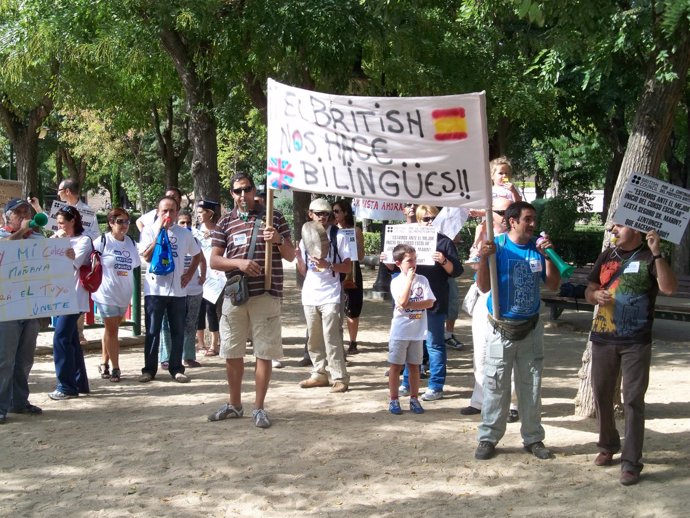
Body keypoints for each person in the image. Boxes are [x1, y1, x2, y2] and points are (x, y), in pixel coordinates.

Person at [585, 225, 677, 486]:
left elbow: (669, 288)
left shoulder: (649, 257)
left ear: (635, 229)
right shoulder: (607, 255)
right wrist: (594, 295)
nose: (612, 228)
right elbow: (589, 288)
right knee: (602, 394)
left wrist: (657, 253)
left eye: (619, 224)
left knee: (633, 400)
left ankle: (631, 462)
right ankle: (607, 445)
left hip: (636, 341)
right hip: (603, 338)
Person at [473, 201, 560, 461]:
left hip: (531, 329)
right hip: (500, 328)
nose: (533, 224)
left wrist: (550, 257)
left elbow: (554, 285)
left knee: (531, 387)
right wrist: (483, 258)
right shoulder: (496, 246)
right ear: (513, 221)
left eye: (534, 219)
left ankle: (533, 438)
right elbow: (484, 287)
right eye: (528, 219)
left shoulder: (538, 248)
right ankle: (488, 438)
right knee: (495, 385)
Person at [207, 173, 295, 428]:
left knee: (264, 352)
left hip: (266, 294)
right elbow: (214, 260)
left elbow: (290, 256)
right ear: (231, 194)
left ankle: (259, 407)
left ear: (254, 190)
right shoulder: (225, 222)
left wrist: (277, 239)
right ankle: (234, 404)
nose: (242, 195)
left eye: (246, 189)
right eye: (237, 191)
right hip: (235, 296)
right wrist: (239, 264)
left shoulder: (273, 216)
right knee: (232, 351)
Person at [460, 196, 520, 422]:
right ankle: (480, 399)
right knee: (481, 351)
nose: (502, 217)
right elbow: (475, 265)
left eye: (505, 213)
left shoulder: (514, 240)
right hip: (483, 295)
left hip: (506, 297)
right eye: (498, 212)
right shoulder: (482, 234)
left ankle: (512, 403)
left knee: (507, 352)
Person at [396, 205, 463, 401]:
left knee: (434, 343)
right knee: (413, 342)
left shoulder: (444, 242)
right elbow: (395, 266)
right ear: (418, 220)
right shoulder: (408, 243)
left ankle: (436, 386)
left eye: (433, 217)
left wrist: (443, 260)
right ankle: (407, 383)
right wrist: (388, 261)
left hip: (435, 301)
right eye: (425, 219)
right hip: (413, 301)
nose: (430, 221)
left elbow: (456, 271)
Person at [138, 196, 201, 383]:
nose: (168, 214)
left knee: (177, 331)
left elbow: (197, 256)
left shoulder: (184, 233)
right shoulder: (149, 231)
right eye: (164, 210)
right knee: (152, 331)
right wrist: (159, 234)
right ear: (158, 212)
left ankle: (176, 368)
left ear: (176, 212)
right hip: (155, 290)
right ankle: (149, 370)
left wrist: (189, 274)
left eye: (171, 211)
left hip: (178, 292)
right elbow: (147, 258)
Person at [296, 198, 352, 393]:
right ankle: (319, 373)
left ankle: (339, 377)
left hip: (331, 293)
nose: (322, 217)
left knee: (332, 337)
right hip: (310, 294)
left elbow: (348, 266)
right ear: (310, 214)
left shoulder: (339, 236)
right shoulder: (306, 236)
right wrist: (297, 257)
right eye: (318, 213)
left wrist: (328, 265)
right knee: (314, 337)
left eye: (326, 213)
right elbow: (305, 271)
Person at [0, 199, 46, 423]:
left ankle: (19, 402)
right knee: (4, 360)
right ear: (6, 217)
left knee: (25, 359)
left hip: (30, 308)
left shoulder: (37, 239)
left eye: (25, 212)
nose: (23, 216)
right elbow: (4, 251)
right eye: (18, 213)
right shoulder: (2, 237)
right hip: (5, 309)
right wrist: (22, 232)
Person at [48, 205, 92, 400]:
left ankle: (66, 386)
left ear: (73, 221)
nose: (60, 227)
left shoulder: (84, 240)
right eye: (58, 223)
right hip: (58, 295)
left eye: (62, 223)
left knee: (61, 338)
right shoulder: (58, 239)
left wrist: (61, 244)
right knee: (72, 340)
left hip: (74, 296)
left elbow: (72, 262)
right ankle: (80, 382)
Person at [92, 208, 140, 383]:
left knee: (110, 330)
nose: (124, 225)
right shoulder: (102, 241)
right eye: (120, 221)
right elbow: (89, 262)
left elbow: (134, 265)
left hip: (124, 294)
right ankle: (116, 368)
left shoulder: (131, 243)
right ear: (111, 223)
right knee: (113, 331)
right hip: (106, 294)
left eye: (127, 222)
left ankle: (104, 362)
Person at [387, 244, 435, 415]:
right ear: (398, 263)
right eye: (409, 261)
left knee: (415, 366)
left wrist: (411, 304)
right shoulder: (396, 281)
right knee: (396, 366)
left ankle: (414, 398)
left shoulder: (423, 280)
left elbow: (429, 302)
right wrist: (408, 280)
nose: (414, 264)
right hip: (400, 332)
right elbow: (401, 301)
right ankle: (393, 399)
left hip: (417, 332)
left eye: (415, 259)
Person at [158, 211, 206, 369]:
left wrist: (202, 276)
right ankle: (166, 357)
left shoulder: (194, 239)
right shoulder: (168, 239)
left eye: (188, 223)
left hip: (192, 289)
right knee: (168, 324)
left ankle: (189, 356)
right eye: (182, 223)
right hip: (173, 289)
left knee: (190, 323)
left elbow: (201, 259)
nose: (186, 226)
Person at [332, 199, 365, 355]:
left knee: (353, 308)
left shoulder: (355, 230)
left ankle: (352, 342)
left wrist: (353, 245)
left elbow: (361, 255)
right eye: (333, 211)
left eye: (337, 211)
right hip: (334, 271)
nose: (334, 214)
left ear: (345, 212)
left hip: (352, 270)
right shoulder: (330, 230)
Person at [194, 199, 222, 356]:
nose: (199, 215)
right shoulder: (194, 231)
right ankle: (200, 343)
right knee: (199, 308)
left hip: (215, 276)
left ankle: (214, 343)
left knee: (211, 309)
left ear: (210, 213)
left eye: (202, 212)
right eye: (197, 212)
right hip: (197, 274)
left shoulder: (219, 230)